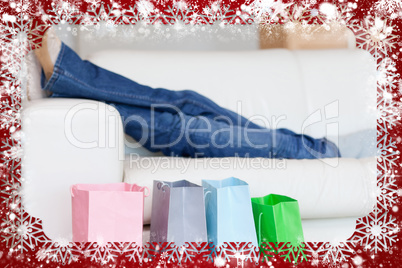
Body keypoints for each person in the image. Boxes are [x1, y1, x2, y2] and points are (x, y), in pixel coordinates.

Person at [33, 28, 341, 159]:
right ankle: (65, 79)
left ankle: (65, 78)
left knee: (188, 129)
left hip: (315, 156)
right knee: (189, 103)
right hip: (314, 145)